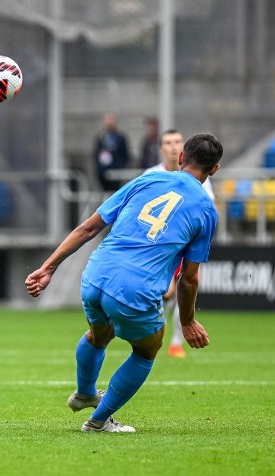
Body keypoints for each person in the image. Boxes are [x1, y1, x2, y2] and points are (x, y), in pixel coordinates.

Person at [26, 133, 222, 432]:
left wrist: (48, 267)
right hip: (135, 288)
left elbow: (89, 227)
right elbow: (189, 278)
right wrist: (188, 321)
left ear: (181, 157)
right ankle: (98, 421)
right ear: (214, 170)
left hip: (96, 276)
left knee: (99, 333)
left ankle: (85, 392)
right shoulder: (207, 210)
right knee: (147, 349)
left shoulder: (145, 181)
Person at [143, 129, 216, 358]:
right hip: (158, 243)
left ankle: (176, 341)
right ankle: (153, 333)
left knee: (186, 286)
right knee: (166, 293)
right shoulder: (151, 174)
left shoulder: (201, 179)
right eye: (168, 142)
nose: (173, 146)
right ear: (161, 148)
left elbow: (208, 210)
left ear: (183, 150)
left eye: (177, 142)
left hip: (185, 242)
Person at [93, 112, 131, 192]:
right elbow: (96, 155)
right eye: (107, 120)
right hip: (103, 174)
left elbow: (126, 155)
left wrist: (120, 167)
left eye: (111, 120)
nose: (109, 123)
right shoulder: (100, 137)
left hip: (117, 174)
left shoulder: (121, 137)